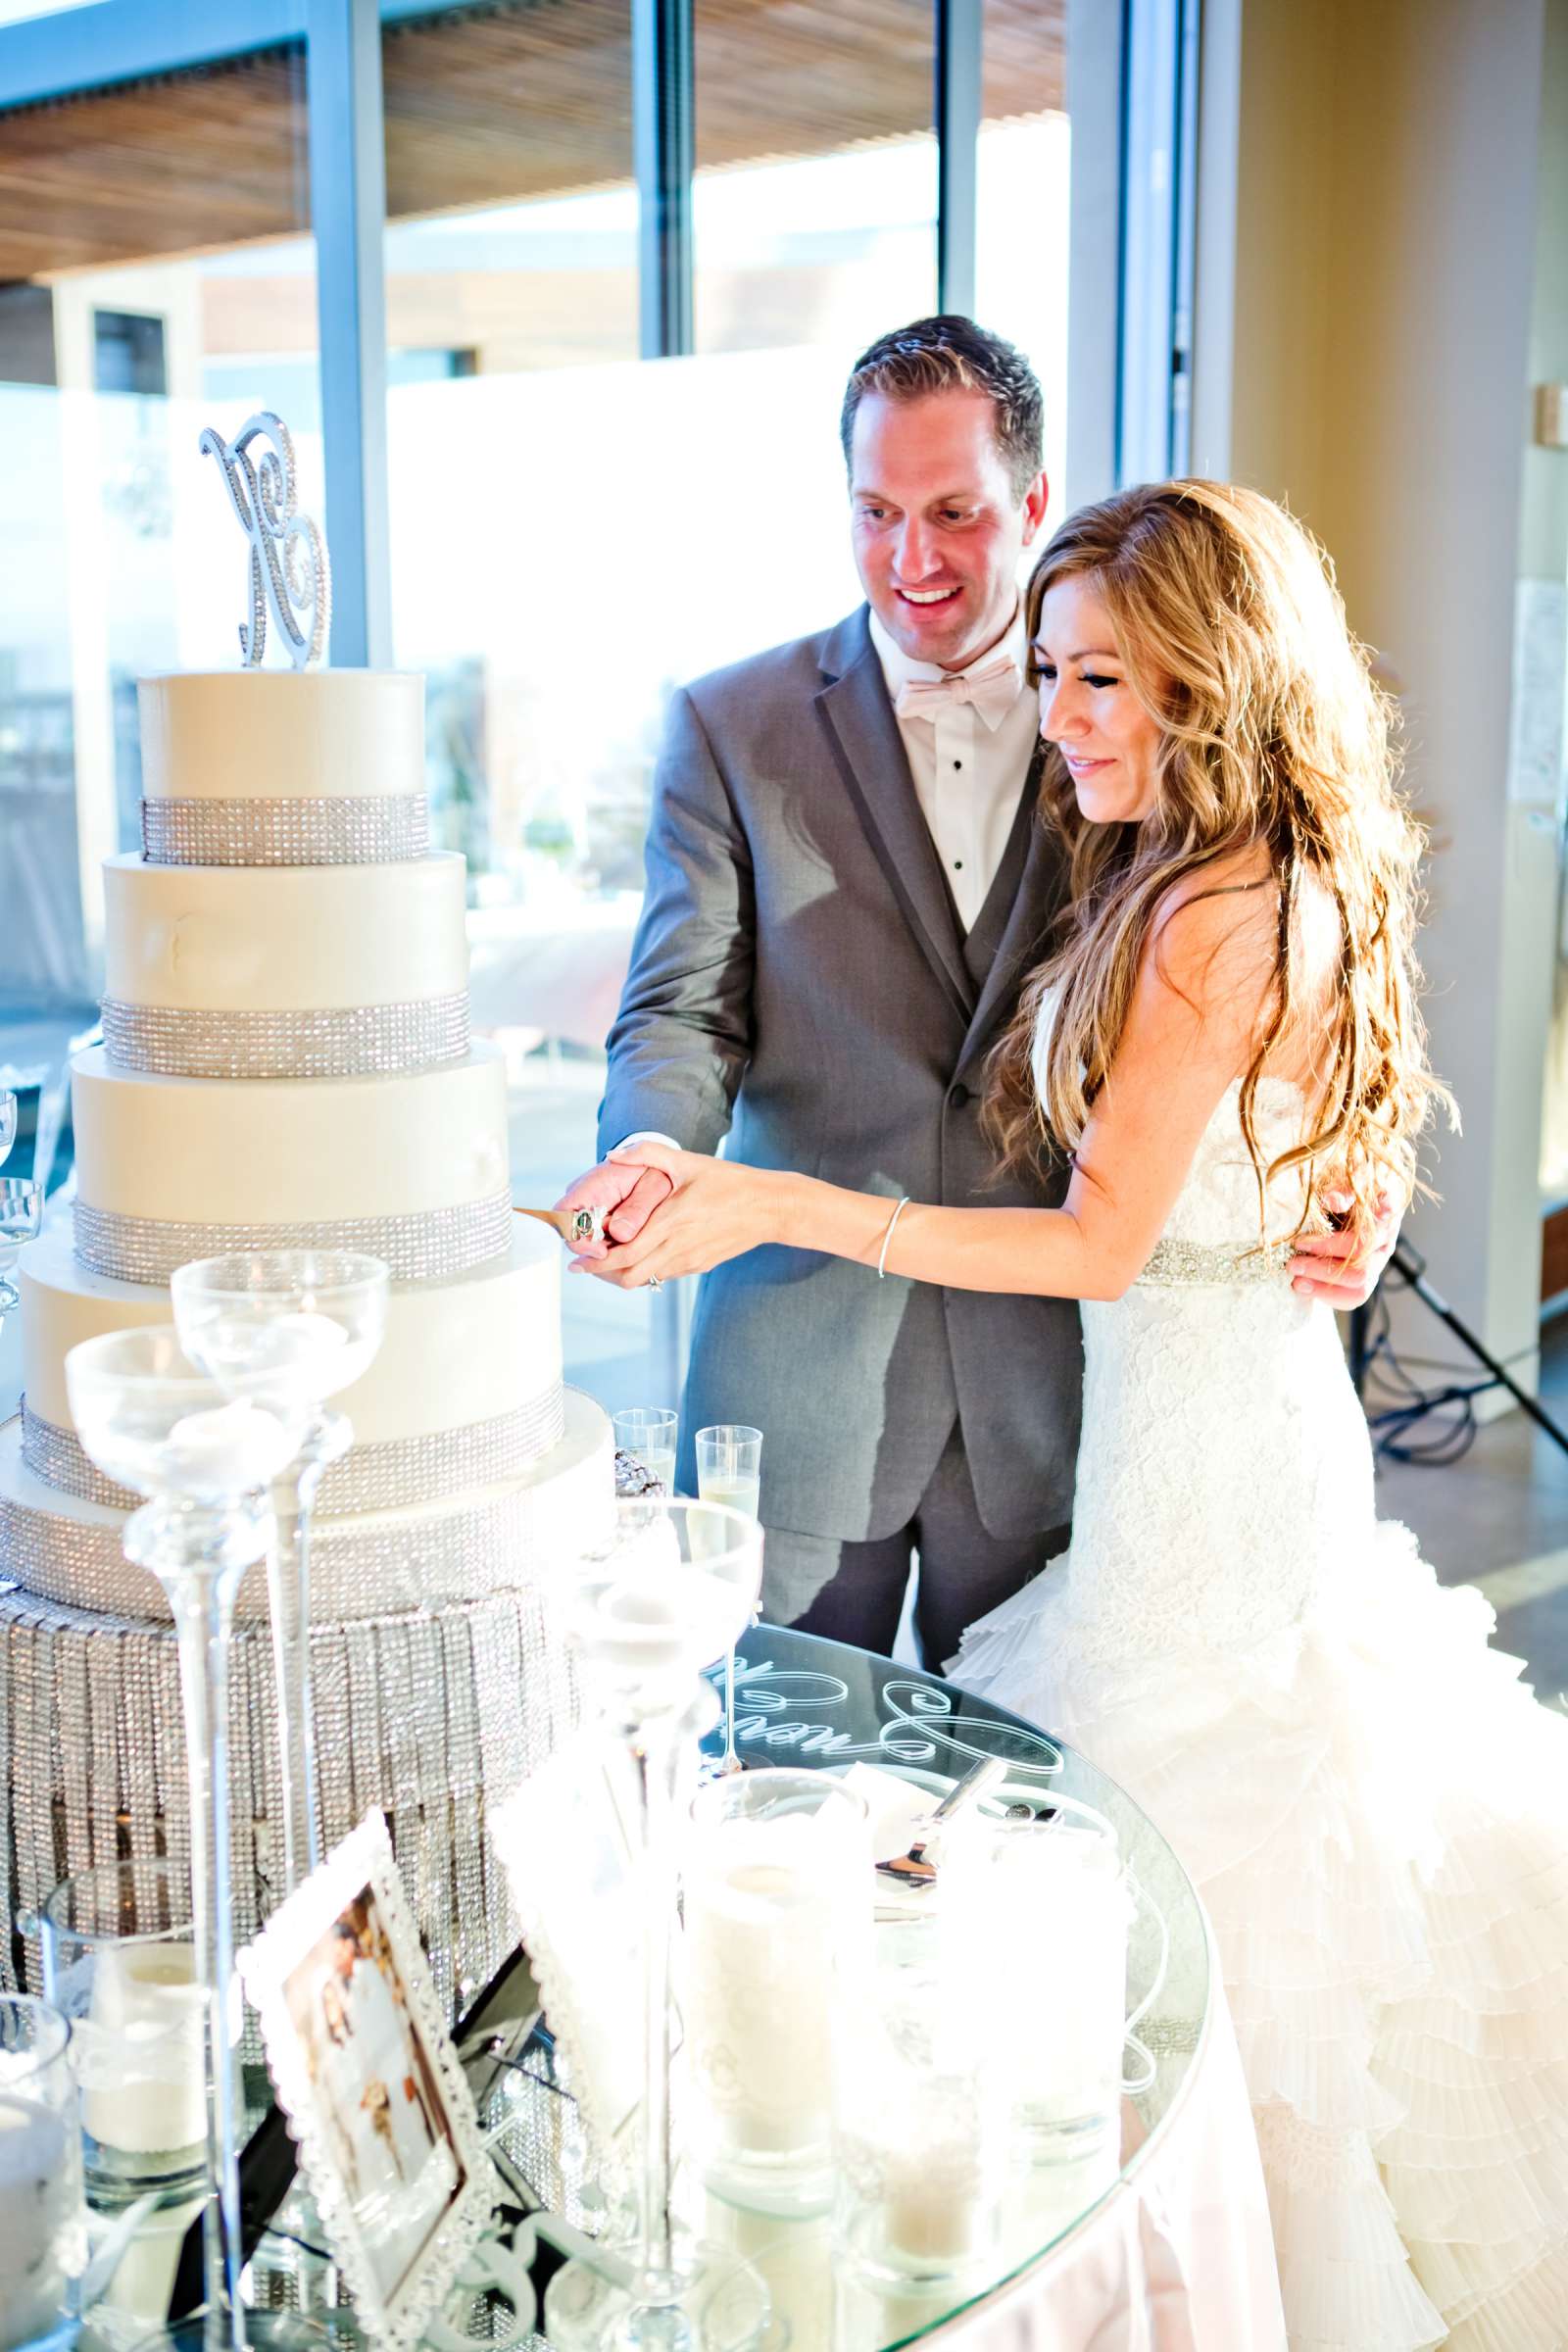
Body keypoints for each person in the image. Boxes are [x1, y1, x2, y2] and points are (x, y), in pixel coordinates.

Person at [596, 478, 1568, 2347]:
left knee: (1214, 1874)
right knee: (1173, 1841)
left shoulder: (1213, 906)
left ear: (1216, 679)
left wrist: (781, 1207)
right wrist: (1327, 1208)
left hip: (1205, 1450)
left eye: (1106, 678)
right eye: (1054, 672)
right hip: (1203, 1425)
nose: (1062, 717)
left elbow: (1105, 1243)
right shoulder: (1225, 857)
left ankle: (1226, 2282)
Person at [557, 318, 1384, 1665]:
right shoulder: (730, 723)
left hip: (1060, 1387)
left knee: (1027, 1819)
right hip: (795, 1371)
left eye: (953, 512)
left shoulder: (1136, 717)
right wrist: (651, 1146)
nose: (912, 560)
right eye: (875, 513)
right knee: (779, 1785)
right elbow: (680, 1009)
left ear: (1033, 502)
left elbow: (1263, 990)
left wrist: (1340, 1172)